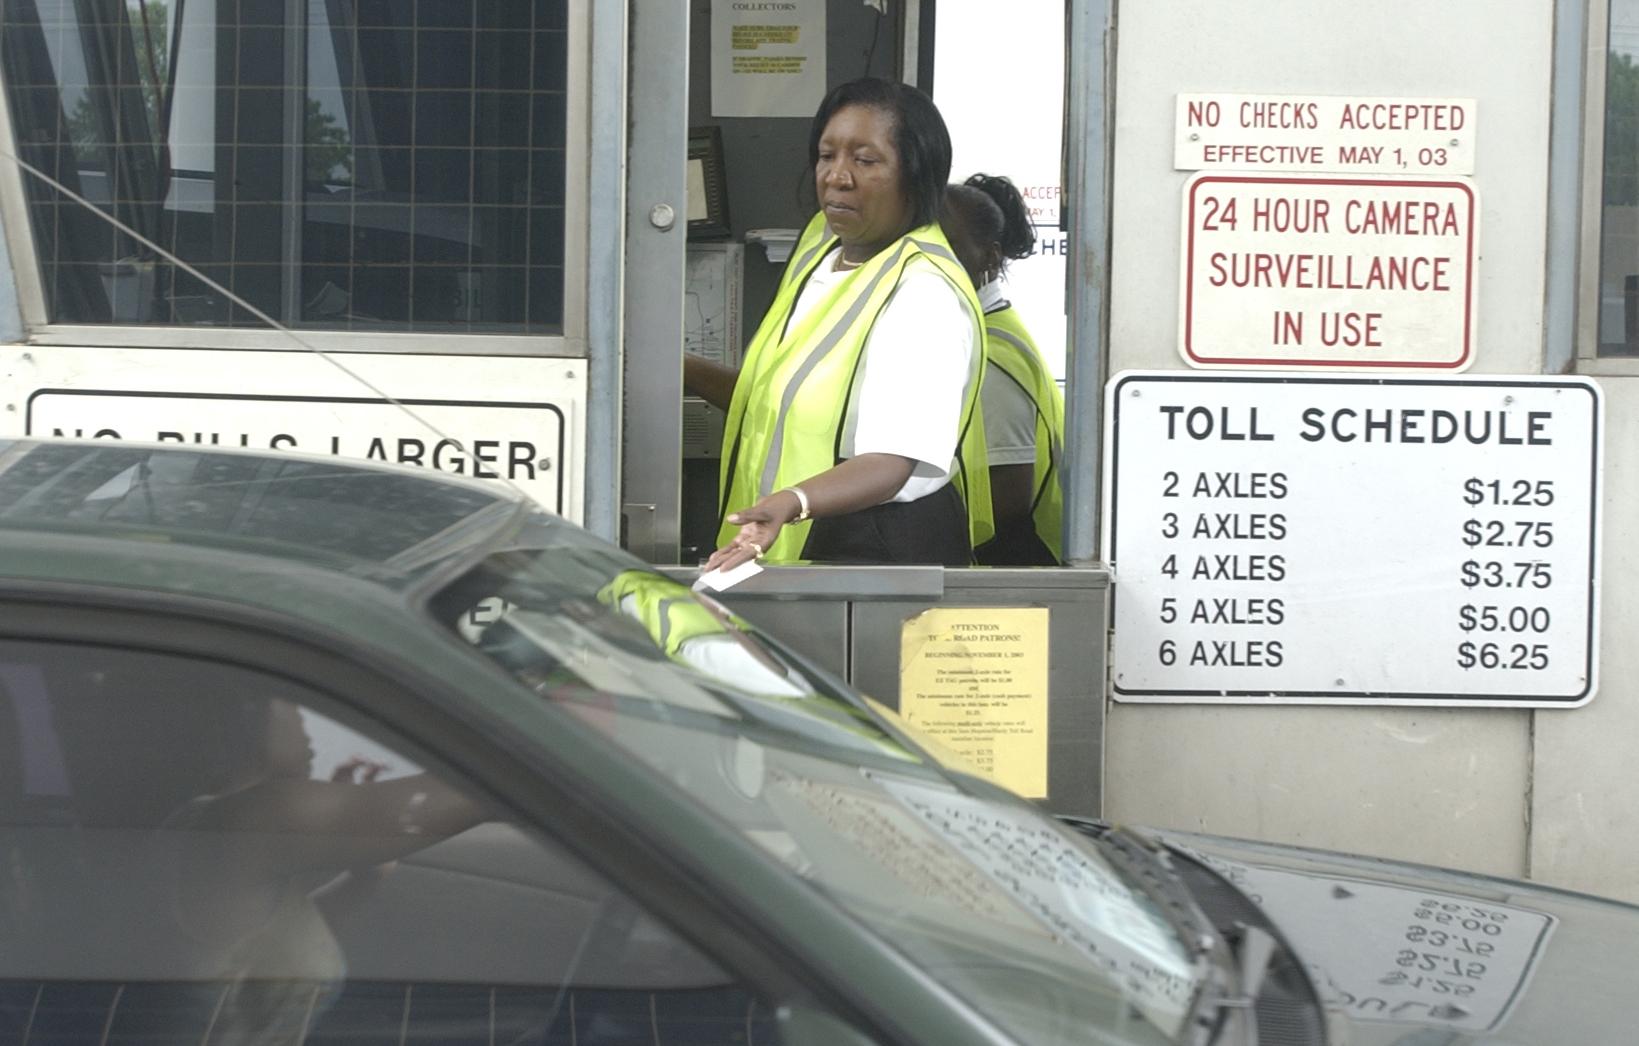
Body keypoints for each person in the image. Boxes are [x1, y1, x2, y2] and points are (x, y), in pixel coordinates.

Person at [686, 77, 991, 571]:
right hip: (788, 547)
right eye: (827, 156)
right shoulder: (823, 250)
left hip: (875, 549)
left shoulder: (923, 292)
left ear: (916, 174)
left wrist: (791, 503)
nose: (837, 177)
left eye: (865, 160)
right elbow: (772, 406)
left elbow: (892, 462)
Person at [942, 174, 1066, 565]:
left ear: (990, 257)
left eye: (950, 249)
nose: (932, 263)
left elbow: (1006, 500)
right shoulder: (980, 334)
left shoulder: (991, 357)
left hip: (1019, 567)